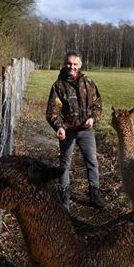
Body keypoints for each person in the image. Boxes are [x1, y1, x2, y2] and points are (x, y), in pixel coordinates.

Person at [45, 50, 107, 210]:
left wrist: (92, 118)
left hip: (86, 131)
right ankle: (64, 199)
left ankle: (94, 195)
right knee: (65, 165)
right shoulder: (58, 86)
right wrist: (59, 127)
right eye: (69, 63)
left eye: (74, 64)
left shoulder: (88, 83)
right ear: (65, 64)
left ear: (80, 65)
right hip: (67, 132)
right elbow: (52, 112)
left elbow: (98, 105)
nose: (71, 67)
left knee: (92, 162)